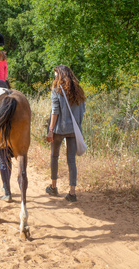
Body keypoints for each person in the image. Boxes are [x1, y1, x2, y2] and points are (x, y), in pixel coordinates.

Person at [45, 65, 86, 202]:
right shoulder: (79, 91)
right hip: (74, 130)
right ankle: (72, 192)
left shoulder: (57, 90)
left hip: (59, 129)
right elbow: (82, 111)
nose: (55, 77)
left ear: (60, 75)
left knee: (54, 156)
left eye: (56, 74)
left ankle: (54, 187)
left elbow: (55, 112)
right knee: (71, 160)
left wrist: (50, 130)